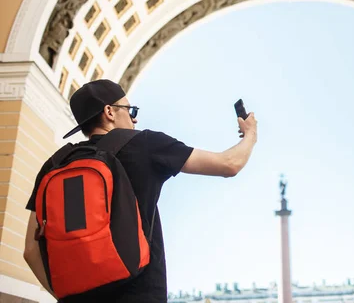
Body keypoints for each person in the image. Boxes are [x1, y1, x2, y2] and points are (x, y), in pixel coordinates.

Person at [23, 79, 258, 302]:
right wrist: (250, 135)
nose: (135, 120)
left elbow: (31, 251)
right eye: (131, 110)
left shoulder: (54, 164)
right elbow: (229, 164)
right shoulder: (145, 143)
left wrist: (65, 296)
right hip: (140, 294)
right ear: (110, 112)